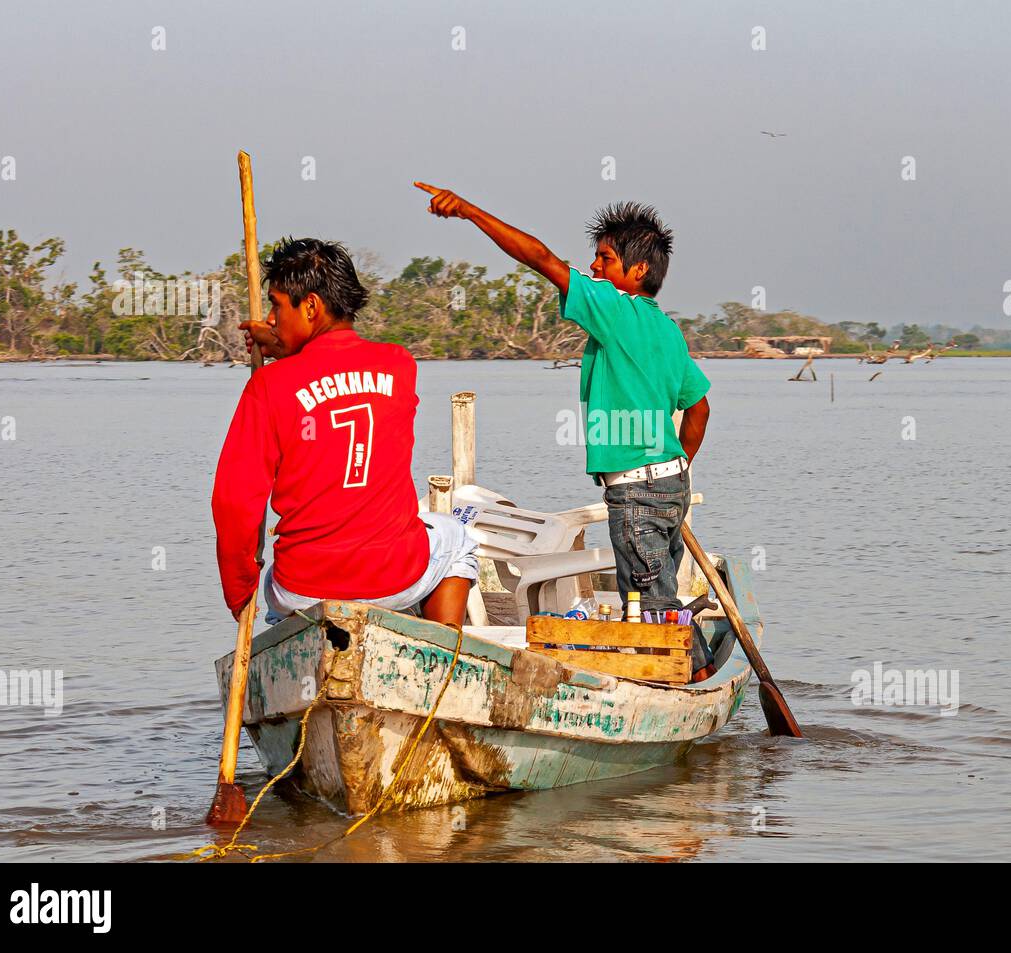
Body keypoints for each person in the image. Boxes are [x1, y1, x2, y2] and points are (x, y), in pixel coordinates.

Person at [414, 184, 712, 674]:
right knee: (659, 596)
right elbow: (698, 408)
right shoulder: (667, 329)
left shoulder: (616, 310)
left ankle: (688, 678)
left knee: (654, 610)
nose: (593, 268)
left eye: (605, 259)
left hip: (638, 491)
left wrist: (469, 211)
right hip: (670, 481)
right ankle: (694, 671)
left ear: (637, 272)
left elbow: (540, 258)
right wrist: (675, 468)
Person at [211, 237, 477, 629]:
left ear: (312, 306)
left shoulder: (269, 385)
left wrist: (239, 595)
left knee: (272, 591)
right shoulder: (399, 366)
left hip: (303, 589)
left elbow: (234, 503)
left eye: (277, 304)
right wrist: (290, 350)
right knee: (458, 538)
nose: (269, 318)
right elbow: (338, 378)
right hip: (396, 579)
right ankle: (441, 648)